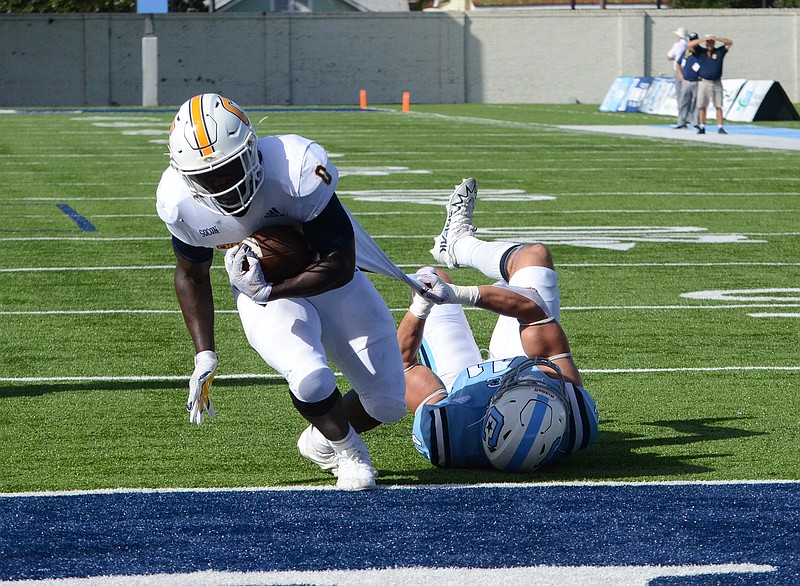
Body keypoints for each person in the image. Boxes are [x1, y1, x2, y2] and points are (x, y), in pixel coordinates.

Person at [156, 93, 417, 491]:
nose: (220, 185)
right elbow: (191, 274)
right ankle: (349, 450)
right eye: (206, 178)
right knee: (309, 375)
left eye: (228, 170)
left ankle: (319, 440)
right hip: (259, 290)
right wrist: (204, 354)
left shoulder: (297, 167)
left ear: (252, 148)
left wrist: (272, 286)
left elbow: (340, 264)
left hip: (324, 275)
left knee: (388, 403)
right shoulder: (178, 202)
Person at [398, 178, 599, 471]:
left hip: (459, 385)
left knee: (429, 274)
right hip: (520, 359)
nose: (535, 380)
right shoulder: (576, 421)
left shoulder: (446, 431)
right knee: (534, 257)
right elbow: (532, 311)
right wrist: (460, 295)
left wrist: (424, 304)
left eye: (526, 384)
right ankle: (458, 244)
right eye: (537, 385)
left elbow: (403, 364)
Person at [688, 34, 734, 134]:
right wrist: (703, 39)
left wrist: (717, 38)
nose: (710, 44)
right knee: (702, 105)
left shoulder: (719, 51)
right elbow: (690, 45)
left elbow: (729, 42)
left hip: (716, 81)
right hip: (704, 81)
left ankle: (720, 127)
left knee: (718, 105)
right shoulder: (701, 52)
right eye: (708, 42)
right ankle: (702, 126)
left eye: (711, 42)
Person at [676, 32, 700, 130]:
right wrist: (681, 76)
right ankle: (681, 122)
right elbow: (678, 63)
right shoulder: (686, 52)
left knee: (696, 103)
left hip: (697, 80)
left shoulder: (700, 52)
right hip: (686, 80)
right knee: (683, 102)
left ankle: (695, 122)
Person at [667, 27, 689, 128]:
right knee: (688, 95)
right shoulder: (688, 45)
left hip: (679, 69)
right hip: (688, 70)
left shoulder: (678, 45)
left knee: (680, 95)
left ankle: (681, 119)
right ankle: (689, 117)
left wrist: (675, 57)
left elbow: (669, 56)